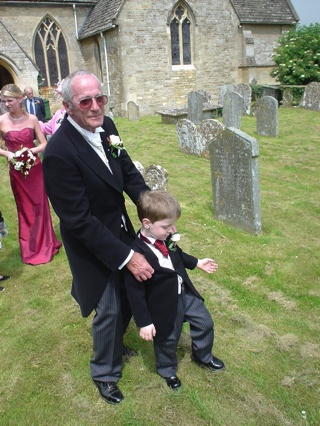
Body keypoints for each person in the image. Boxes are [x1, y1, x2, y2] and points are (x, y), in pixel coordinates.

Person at [42, 70, 154, 405]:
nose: (95, 107)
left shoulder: (108, 127)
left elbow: (129, 175)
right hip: (90, 241)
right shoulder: (59, 153)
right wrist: (128, 257)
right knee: (108, 306)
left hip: (117, 227)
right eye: (85, 101)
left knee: (132, 292)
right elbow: (78, 220)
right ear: (67, 106)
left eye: (99, 98)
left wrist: (156, 212)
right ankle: (104, 372)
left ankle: (117, 344)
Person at [125, 189, 225, 390]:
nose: (173, 230)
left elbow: (177, 255)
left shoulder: (165, 238)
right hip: (163, 304)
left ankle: (202, 355)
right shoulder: (136, 256)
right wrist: (144, 322)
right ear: (147, 224)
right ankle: (167, 370)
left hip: (184, 293)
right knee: (167, 339)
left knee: (205, 322)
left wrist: (197, 263)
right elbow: (134, 293)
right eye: (166, 226)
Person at [0, 84, 62, 265]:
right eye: (3, 101)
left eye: (9, 101)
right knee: (25, 209)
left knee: (40, 206)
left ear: (20, 99)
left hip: (35, 169)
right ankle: (29, 249)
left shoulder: (33, 119)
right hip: (17, 173)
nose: (6, 104)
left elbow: (44, 144)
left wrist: (29, 151)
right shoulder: (1, 120)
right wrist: (8, 154)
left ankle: (46, 244)